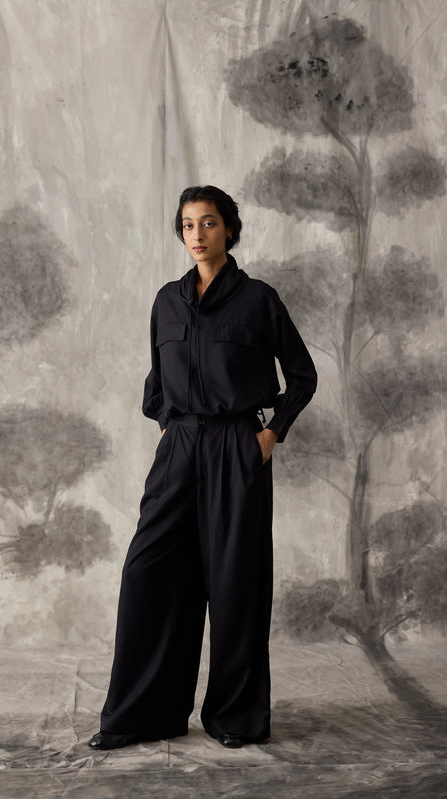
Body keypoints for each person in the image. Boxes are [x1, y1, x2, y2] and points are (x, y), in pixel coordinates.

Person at [88, 185, 317, 750]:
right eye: (188, 224)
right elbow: (156, 382)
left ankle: (235, 718)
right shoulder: (166, 301)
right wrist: (169, 424)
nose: (198, 234)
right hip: (180, 447)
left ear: (229, 229)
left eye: (209, 222)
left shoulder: (259, 299)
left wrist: (269, 435)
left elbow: (302, 375)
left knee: (235, 583)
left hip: (237, 446)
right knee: (148, 575)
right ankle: (143, 715)